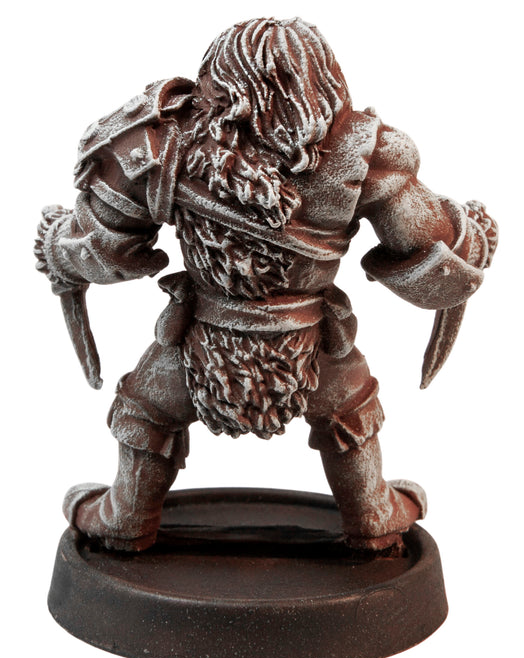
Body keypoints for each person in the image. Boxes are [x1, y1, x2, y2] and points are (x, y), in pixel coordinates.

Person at [35, 17, 497, 552]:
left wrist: (55, 247)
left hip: (199, 346)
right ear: (325, 78)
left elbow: (100, 244)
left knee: (150, 408)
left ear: (215, 80)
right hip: (311, 349)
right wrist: (473, 237)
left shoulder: (162, 143)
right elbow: (427, 247)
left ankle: (126, 517)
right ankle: (372, 515)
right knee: (348, 405)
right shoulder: (367, 153)